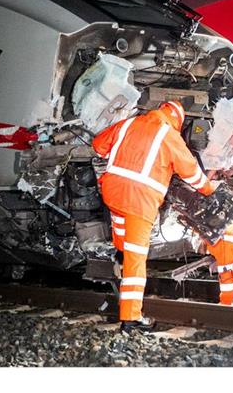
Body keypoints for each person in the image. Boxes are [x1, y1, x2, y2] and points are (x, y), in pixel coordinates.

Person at [92, 100, 215, 332]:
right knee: (136, 260)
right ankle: (131, 318)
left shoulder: (129, 123)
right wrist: (210, 190)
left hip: (113, 193)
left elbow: (98, 146)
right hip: (139, 202)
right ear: (177, 120)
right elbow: (191, 173)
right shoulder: (169, 135)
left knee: (121, 230)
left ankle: (118, 254)